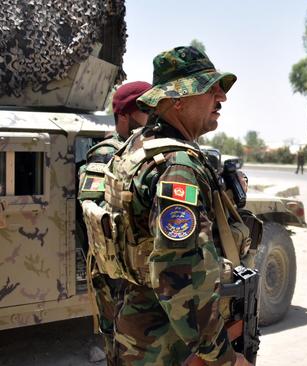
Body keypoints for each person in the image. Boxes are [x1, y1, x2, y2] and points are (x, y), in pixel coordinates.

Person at [94, 46, 252, 366]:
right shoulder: (178, 166)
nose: (221, 98)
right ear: (178, 100)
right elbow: (180, 274)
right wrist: (223, 357)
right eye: (209, 89)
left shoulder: (134, 149)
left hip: (130, 331)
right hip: (166, 346)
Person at [77, 81, 151, 366]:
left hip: (134, 270)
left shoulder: (141, 148)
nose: (151, 117)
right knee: (122, 342)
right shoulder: (107, 153)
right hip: (115, 273)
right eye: (144, 111)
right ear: (124, 116)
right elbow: (93, 217)